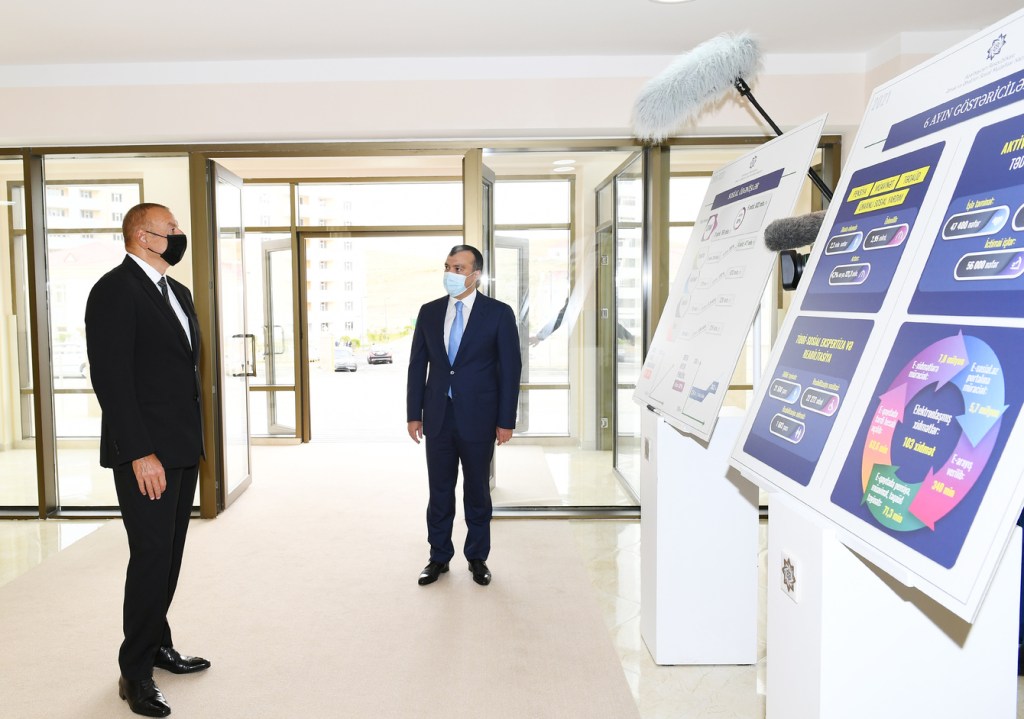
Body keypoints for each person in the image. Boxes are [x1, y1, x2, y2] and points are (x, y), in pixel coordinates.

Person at [85, 203, 209, 718]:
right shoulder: (114, 290)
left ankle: (157, 644)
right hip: (146, 454)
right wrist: (139, 452)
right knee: (151, 555)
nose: (178, 235)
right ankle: (134, 671)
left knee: (170, 553)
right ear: (142, 236)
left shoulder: (176, 291)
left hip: (181, 447)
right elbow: (111, 380)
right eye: (171, 228)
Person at [406, 245, 522, 587]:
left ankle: (477, 557)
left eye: (458, 268)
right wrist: (414, 414)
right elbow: (417, 366)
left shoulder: (498, 313)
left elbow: (510, 369)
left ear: (476, 274)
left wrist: (506, 420)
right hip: (438, 417)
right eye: (447, 267)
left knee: (477, 492)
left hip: (479, 418)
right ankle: (438, 556)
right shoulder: (429, 312)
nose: (451, 274)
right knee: (439, 491)